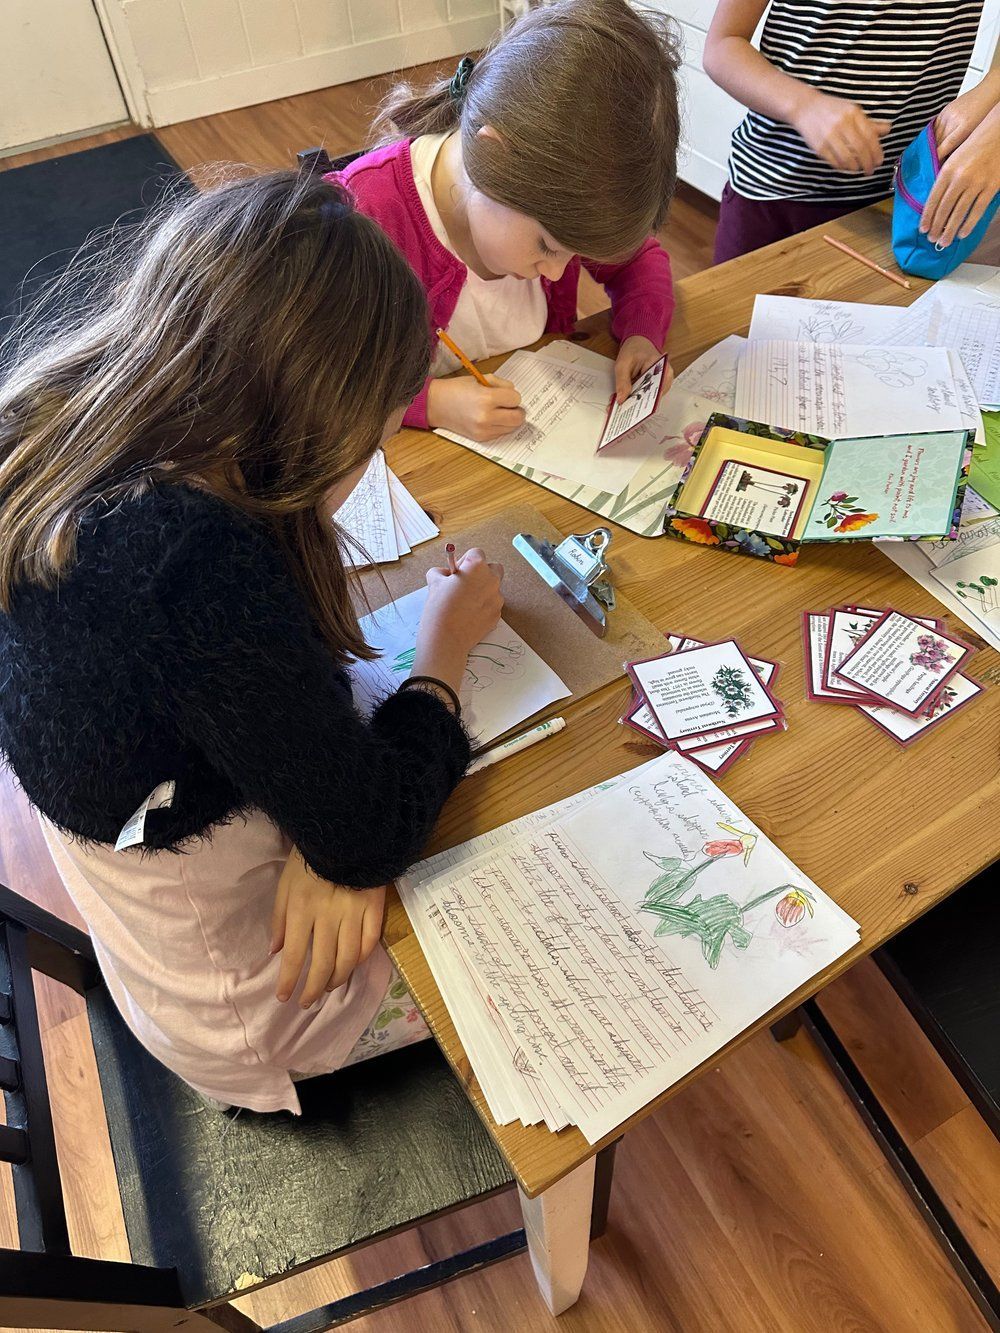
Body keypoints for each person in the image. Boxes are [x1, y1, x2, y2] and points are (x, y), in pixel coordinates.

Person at [0, 170, 504, 1114]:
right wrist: (442, 655)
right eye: (375, 440)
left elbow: (264, 736)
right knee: (537, 894)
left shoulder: (53, 419)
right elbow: (371, 830)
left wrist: (330, 836)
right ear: (306, 431)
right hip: (257, 1011)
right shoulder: (193, 567)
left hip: (164, 930)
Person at [335, 0, 682, 444]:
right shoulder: (366, 220)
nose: (560, 271)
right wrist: (430, 401)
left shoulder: (551, 196)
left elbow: (639, 262)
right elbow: (323, 381)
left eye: (575, 253)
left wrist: (642, 335)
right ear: (495, 157)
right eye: (547, 246)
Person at [705, 0, 1000, 262]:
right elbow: (723, 45)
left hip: (901, 202)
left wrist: (993, 85)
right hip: (772, 194)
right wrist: (803, 105)